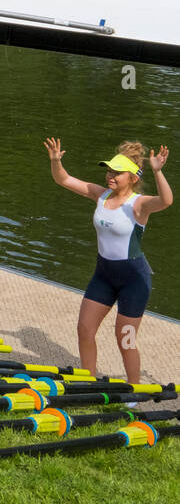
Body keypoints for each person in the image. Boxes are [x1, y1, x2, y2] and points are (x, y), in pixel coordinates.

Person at [43, 139, 171, 384]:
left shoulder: (139, 204)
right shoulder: (101, 195)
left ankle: (134, 391)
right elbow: (64, 180)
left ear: (133, 177)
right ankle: (87, 382)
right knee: (84, 329)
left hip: (133, 279)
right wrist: (56, 161)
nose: (110, 176)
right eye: (109, 170)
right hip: (104, 274)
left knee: (125, 340)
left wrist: (157, 170)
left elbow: (166, 201)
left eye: (117, 173)